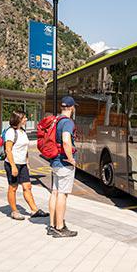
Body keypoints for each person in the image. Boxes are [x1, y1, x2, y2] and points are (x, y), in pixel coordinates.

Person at [5, 110, 49, 220]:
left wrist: (27, 162)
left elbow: (25, 149)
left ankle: (34, 210)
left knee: (27, 187)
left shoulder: (22, 131)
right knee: (13, 187)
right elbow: (8, 150)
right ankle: (14, 211)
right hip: (12, 164)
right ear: (18, 119)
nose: (26, 119)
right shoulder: (10, 132)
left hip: (23, 164)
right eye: (24, 118)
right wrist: (13, 166)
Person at [47, 96, 78, 238]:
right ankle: (60, 227)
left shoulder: (56, 120)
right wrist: (71, 160)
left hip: (55, 161)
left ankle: (52, 225)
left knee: (54, 192)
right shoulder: (67, 123)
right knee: (62, 194)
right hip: (64, 163)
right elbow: (66, 141)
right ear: (71, 107)